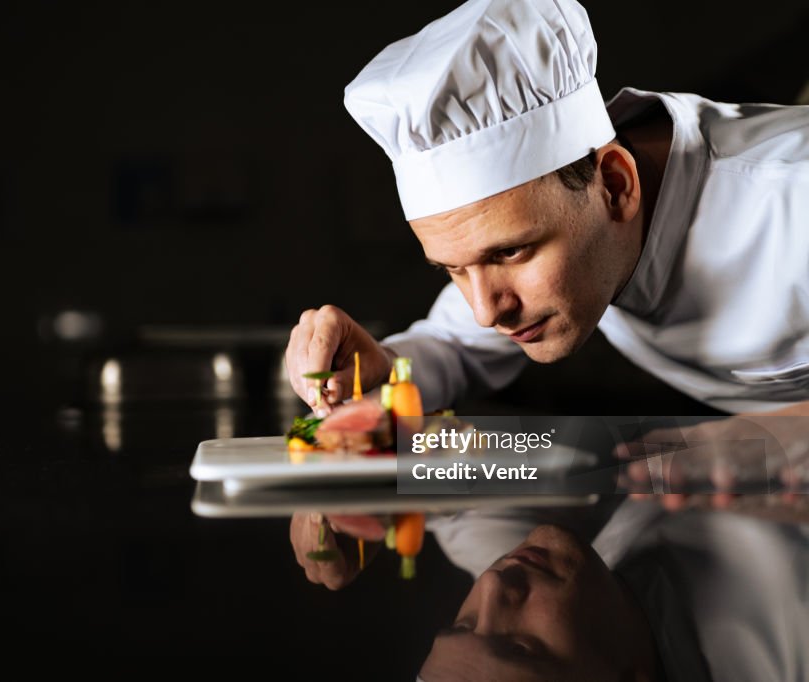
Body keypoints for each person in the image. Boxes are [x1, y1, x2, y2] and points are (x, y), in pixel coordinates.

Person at [283, 0, 809, 488]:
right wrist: (382, 367)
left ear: (616, 186)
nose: (487, 310)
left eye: (509, 253)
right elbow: (456, 349)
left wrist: (784, 438)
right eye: (453, 270)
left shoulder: (792, 195)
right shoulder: (547, 235)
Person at [291, 499, 809, 681]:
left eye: (461, 625)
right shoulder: (791, 635)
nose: (492, 585)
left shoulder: (571, 597)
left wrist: (373, 489)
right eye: (521, 647)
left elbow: (463, 492)